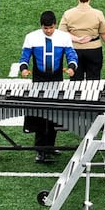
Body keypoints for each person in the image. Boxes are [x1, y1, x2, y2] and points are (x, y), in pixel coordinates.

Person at [19, 11, 77, 163]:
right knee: (40, 114)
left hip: (56, 79)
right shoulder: (32, 37)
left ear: (55, 25)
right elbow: (24, 56)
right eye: (45, 28)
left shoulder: (63, 37)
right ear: (41, 26)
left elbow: (71, 54)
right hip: (38, 79)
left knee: (54, 113)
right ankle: (40, 150)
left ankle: (50, 146)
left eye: (51, 28)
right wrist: (24, 68)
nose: (48, 31)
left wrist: (71, 67)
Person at [59, 0, 105, 81]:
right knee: (94, 81)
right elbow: (104, 34)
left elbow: (62, 32)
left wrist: (77, 39)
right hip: (94, 50)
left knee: (75, 81)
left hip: (75, 50)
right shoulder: (98, 13)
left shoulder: (68, 13)